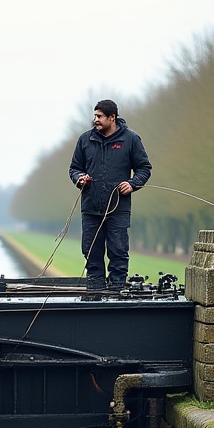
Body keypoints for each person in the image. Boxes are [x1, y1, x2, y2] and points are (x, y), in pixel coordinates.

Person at [69, 99, 152, 291]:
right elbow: (74, 168)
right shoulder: (85, 139)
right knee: (90, 249)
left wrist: (132, 184)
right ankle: (95, 287)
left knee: (118, 250)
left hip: (118, 208)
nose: (95, 120)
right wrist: (80, 178)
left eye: (99, 116)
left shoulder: (131, 139)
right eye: (95, 116)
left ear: (112, 117)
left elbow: (144, 168)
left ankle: (117, 287)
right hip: (90, 207)